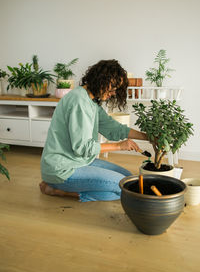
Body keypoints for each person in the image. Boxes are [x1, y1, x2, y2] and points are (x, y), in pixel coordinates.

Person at [40, 59, 147, 202]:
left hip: (81, 161)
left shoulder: (90, 100)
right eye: (113, 87)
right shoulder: (79, 102)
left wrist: (147, 137)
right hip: (63, 169)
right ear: (102, 80)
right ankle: (58, 191)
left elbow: (113, 129)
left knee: (128, 178)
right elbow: (83, 148)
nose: (114, 93)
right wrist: (119, 146)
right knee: (125, 187)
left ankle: (70, 188)